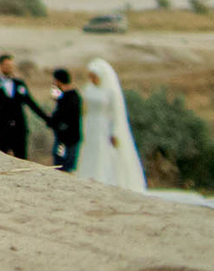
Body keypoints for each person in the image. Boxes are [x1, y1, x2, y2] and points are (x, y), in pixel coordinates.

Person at [75, 60, 148, 191]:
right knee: (90, 148)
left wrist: (114, 131)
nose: (92, 79)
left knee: (103, 150)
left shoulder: (110, 92)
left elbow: (115, 113)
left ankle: (102, 177)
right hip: (91, 123)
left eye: (94, 76)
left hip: (103, 124)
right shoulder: (88, 89)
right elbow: (84, 108)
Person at [0, 53, 39, 158]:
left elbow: (30, 102)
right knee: (1, 158)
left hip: (19, 128)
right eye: (7, 66)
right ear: (0, 66)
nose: (10, 68)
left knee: (22, 158)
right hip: (1, 128)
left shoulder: (19, 83)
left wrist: (47, 118)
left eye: (11, 66)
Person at [47, 67, 83, 172]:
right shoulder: (72, 95)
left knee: (63, 166)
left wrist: (52, 121)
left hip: (66, 139)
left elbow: (61, 115)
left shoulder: (69, 97)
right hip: (69, 138)